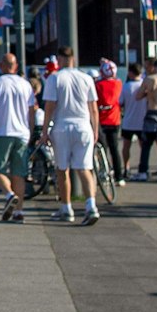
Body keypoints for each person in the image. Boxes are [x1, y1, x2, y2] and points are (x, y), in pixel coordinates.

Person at [42, 44, 102, 226]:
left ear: (59, 59)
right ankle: (91, 205)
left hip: (62, 126)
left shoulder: (54, 79)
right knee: (85, 168)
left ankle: (66, 207)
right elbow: (93, 108)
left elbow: (50, 106)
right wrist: (95, 129)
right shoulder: (86, 78)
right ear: (73, 58)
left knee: (62, 169)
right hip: (84, 126)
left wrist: (45, 131)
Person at [0, 52, 34, 224]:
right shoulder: (25, 85)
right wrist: (31, 132)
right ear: (16, 66)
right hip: (22, 134)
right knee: (19, 173)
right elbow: (31, 110)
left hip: (2, 132)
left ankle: (10, 195)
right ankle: (19, 212)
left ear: (2, 65)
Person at [94, 60, 124, 183]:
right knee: (115, 149)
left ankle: (104, 172)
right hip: (115, 120)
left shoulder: (98, 85)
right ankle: (119, 176)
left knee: (102, 149)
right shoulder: (118, 84)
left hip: (101, 120)